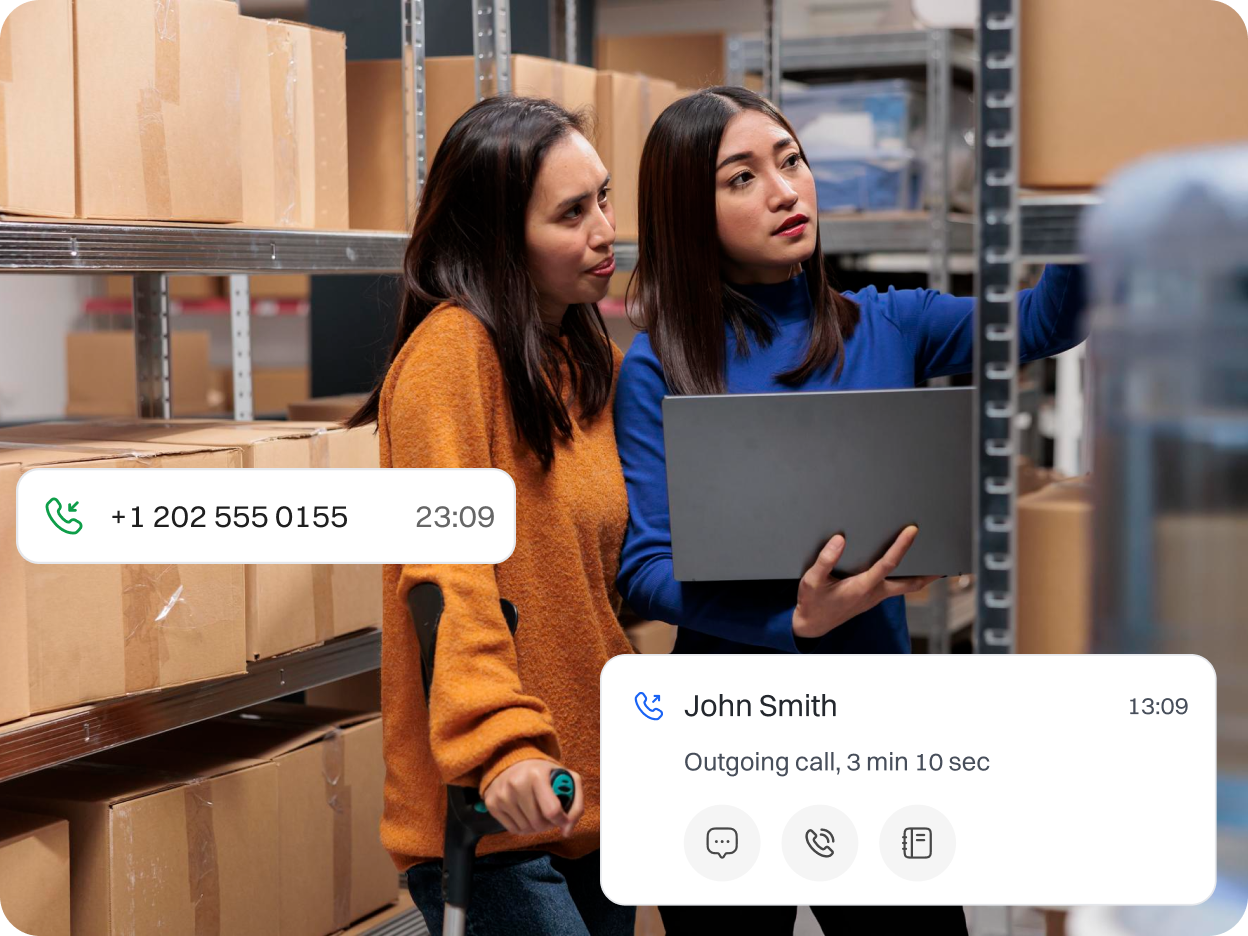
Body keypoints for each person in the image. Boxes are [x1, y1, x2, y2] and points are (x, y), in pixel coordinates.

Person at [614, 86, 1086, 934]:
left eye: (790, 161)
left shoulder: (890, 323)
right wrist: (794, 622)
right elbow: (645, 571)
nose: (786, 191)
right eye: (742, 178)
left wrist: (1079, 204)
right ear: (689, 211)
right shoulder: (658, 367)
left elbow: (1045, 322)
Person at [347, 95, 635, 936]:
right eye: (571, 213)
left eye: (604, 199)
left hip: (585, 798)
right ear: (501, 238)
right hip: (494, 808)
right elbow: (445, 578)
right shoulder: (449, 357)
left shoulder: (581, 361)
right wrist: (500, 746)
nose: (604, 230)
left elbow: (595, 580)